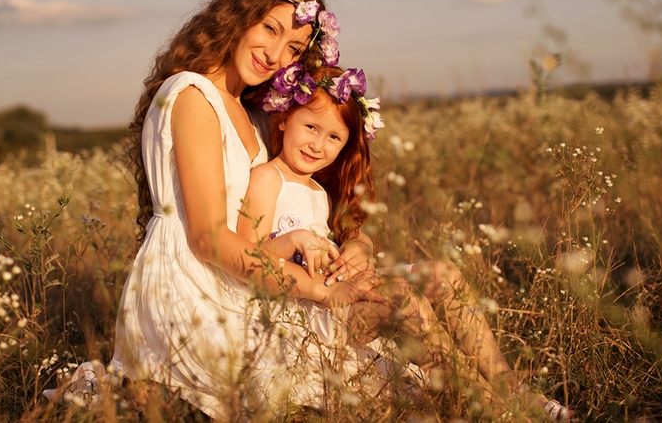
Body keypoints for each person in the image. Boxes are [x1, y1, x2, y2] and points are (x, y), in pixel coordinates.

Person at [108, 0, 385, 421]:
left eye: (294, 47)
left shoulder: (252, 113)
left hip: (245, 275)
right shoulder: (193, 94)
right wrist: (317, 293)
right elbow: (208, 238)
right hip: (192, 281)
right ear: (237, 16)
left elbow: (295, 206)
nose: (277, 54)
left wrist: (352, 245)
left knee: (365, 373)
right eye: (270, 28)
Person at [237, 64, 576, 421]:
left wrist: (356, 254)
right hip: (306, 307)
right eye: (310, 127)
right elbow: (247, 253)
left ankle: (510, 387)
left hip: (342, 288)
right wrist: (295, 239)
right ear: (284, 119)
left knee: (444, 274)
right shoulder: (267, 177)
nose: (318, 144)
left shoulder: (319, 191)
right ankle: (496, 407)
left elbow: (346, 239)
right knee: (405, 299)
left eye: (333, 138)